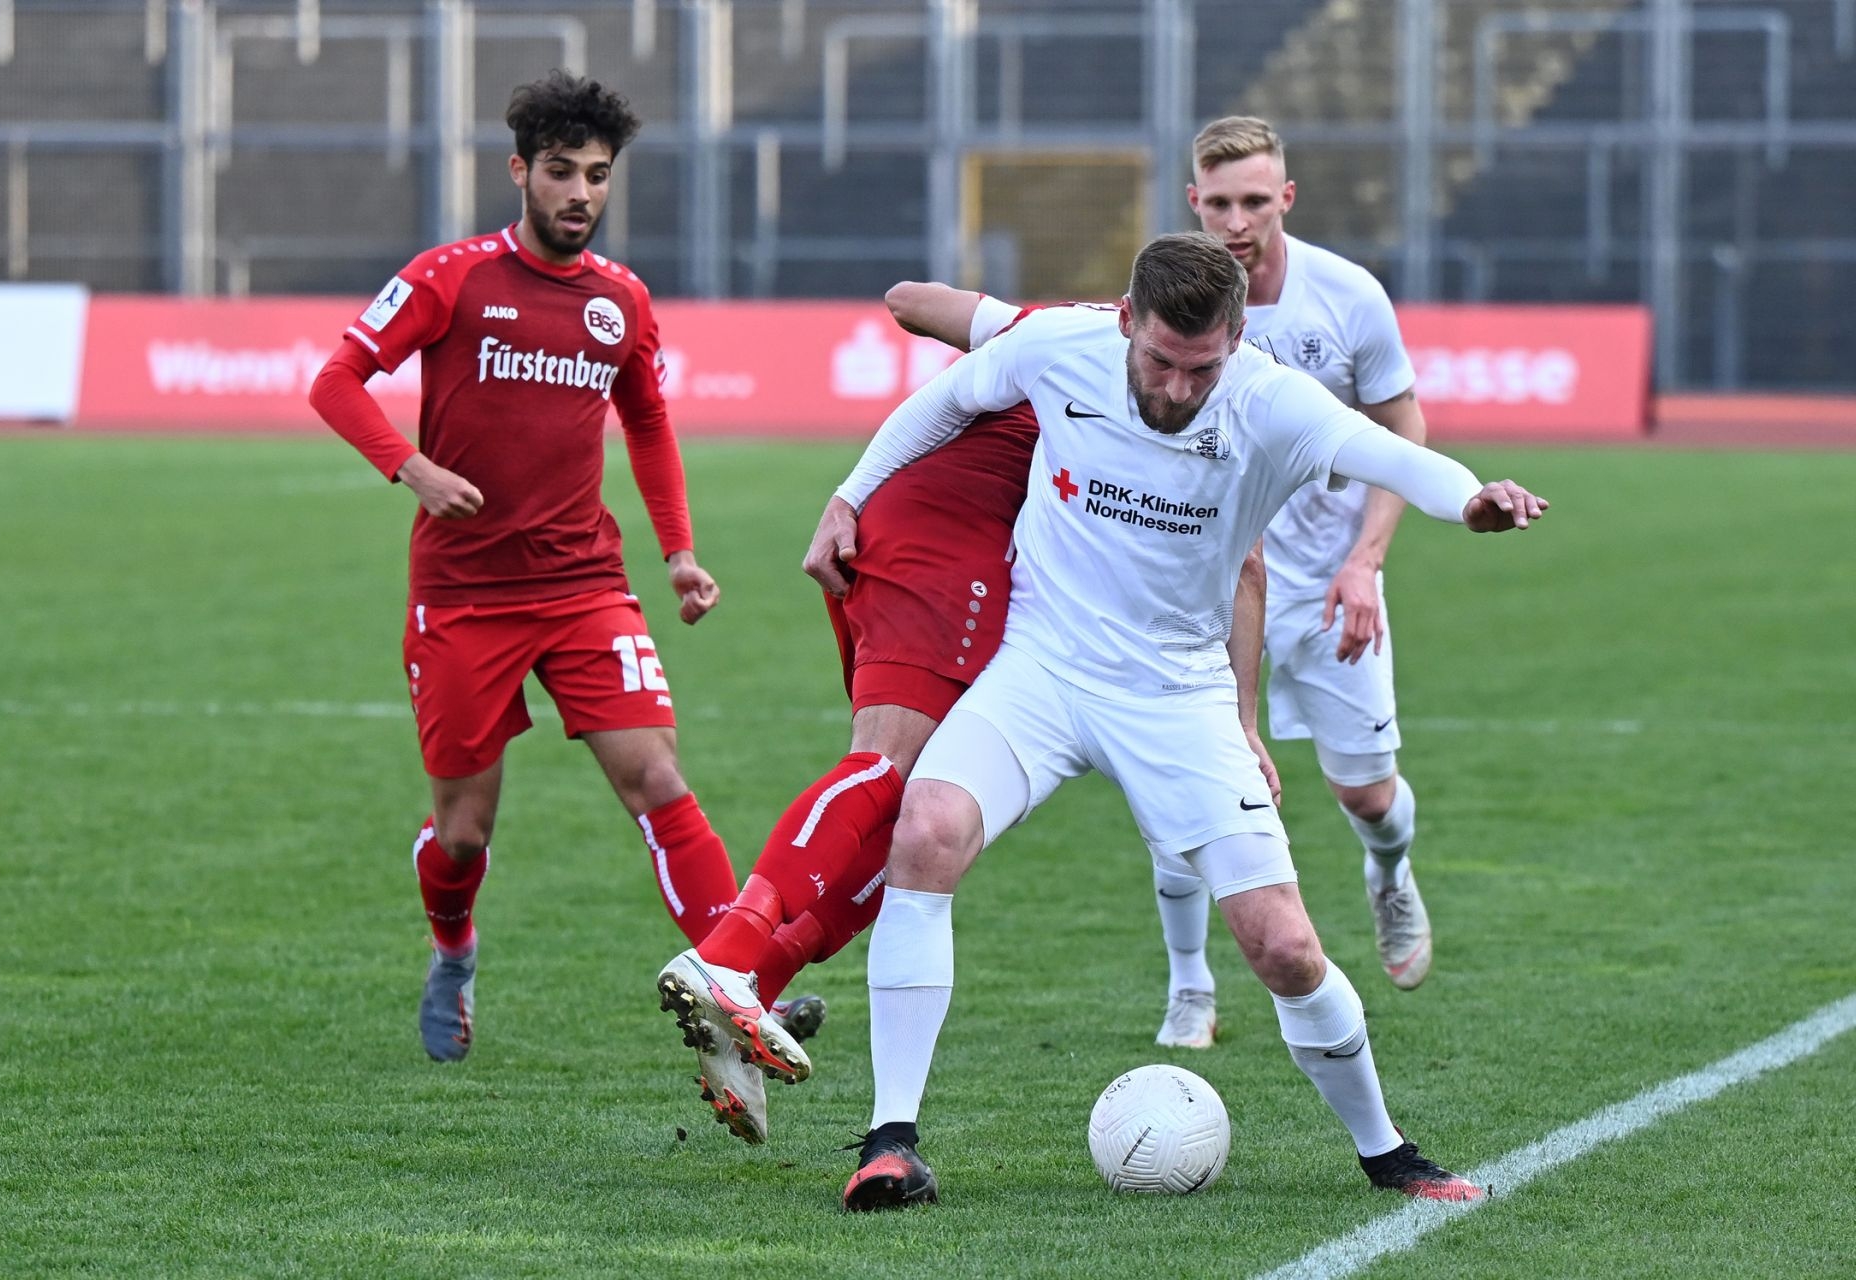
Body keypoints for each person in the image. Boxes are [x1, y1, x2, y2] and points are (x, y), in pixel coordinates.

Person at [811, 232, 1546, 1210]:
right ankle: (890, 1142)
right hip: (1041, 666)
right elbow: (946, 400)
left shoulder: (1271, 401)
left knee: (1284, 946)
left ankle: (1389, 1153)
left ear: (1236, 340)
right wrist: (849, 496)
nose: (1176, 388)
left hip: (1178, 693)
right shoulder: (1061, 346)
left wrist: (1473, 500)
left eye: (1201, 368)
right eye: (1160, 360)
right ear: (1127, 320)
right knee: (926, 832)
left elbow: (1392, 455)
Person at [655, 288, 1281, 1143]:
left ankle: (751, 989)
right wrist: (1242, 720)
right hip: (949, 541)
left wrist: (994, 322)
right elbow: (1245, 563)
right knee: (888, 769)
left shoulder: (1068, 333)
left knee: (913, 815)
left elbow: (908, 300)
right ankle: (728, 956)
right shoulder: (1090, 343)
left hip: (932, 539)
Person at [306, 71, 745, 1072]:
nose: (580, 193)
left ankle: (738, 978)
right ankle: (454, 951)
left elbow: (647, 421)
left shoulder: (622, 299)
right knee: (463, 833)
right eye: (560, 171)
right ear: (519, 172)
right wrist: (412, 468)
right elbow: (337, 380)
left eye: (597, 174)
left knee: (657, 776)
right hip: (465, 597)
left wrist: (678, 552)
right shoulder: (450, 278)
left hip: (586, 585)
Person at [1151, 118, 1440, 1027]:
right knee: (1185, 789)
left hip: (1324, 587)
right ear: (1194, 200)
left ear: (1286, 197)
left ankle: (1389, 871)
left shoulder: (1348, 297)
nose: (1237, 222)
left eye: (1254, 201)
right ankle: (1189, 985)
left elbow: (1403, 428)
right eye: (1219, 203)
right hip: (1206, 588)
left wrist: (1366, 560)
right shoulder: (1172, 296)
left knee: (1367, 793)